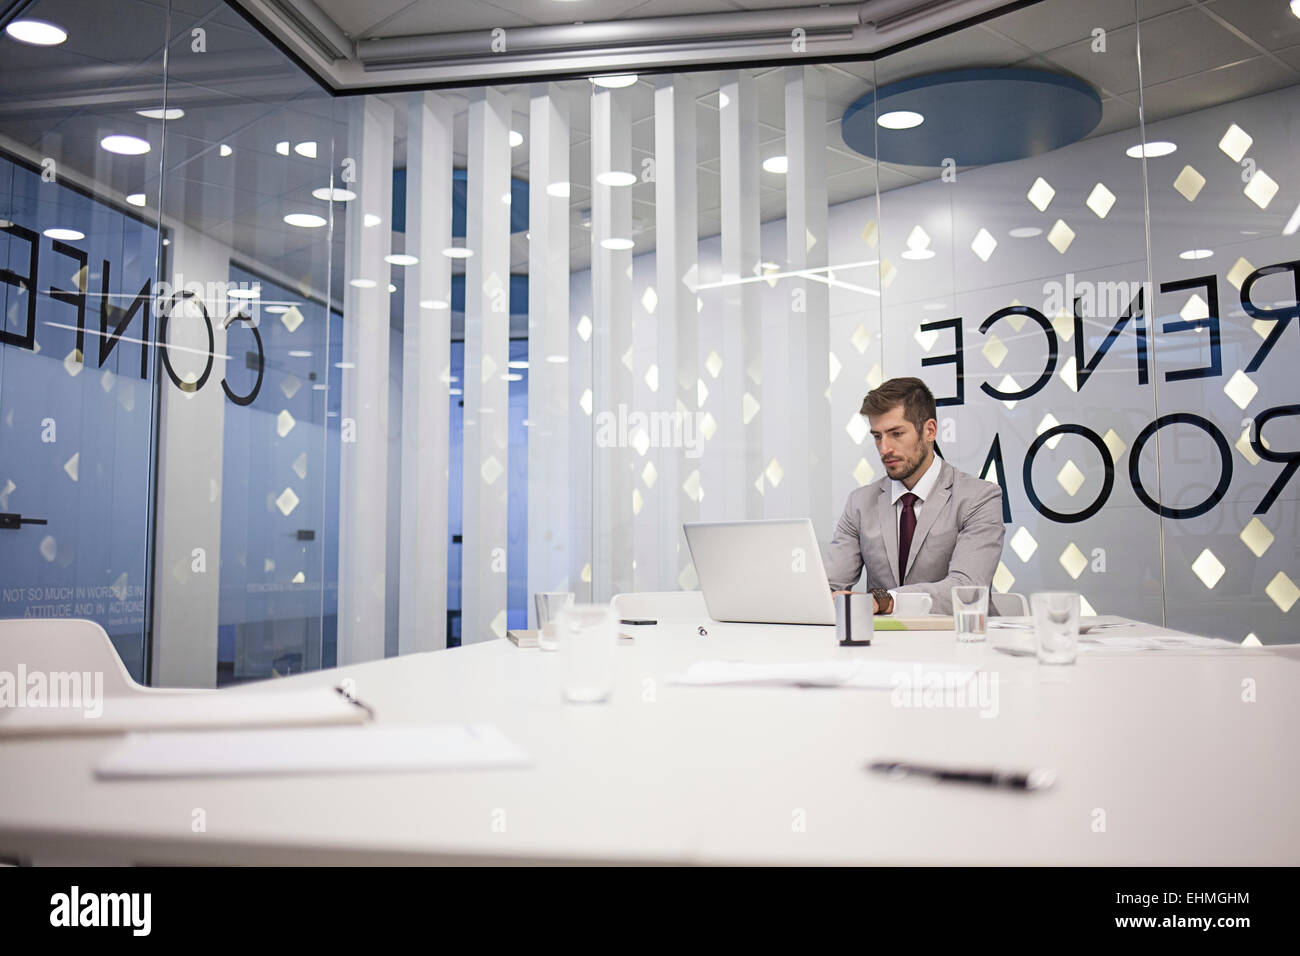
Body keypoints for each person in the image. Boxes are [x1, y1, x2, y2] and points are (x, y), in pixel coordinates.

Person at [825, 376, 1004, 615]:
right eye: (877, 436)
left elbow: (967, 590)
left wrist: (885, 600)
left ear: (929, 430)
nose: (884, 448)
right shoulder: (859, 503)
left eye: (896, 433)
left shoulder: (979, 498)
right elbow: (829, 587)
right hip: (884, 647)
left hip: (959, 644)